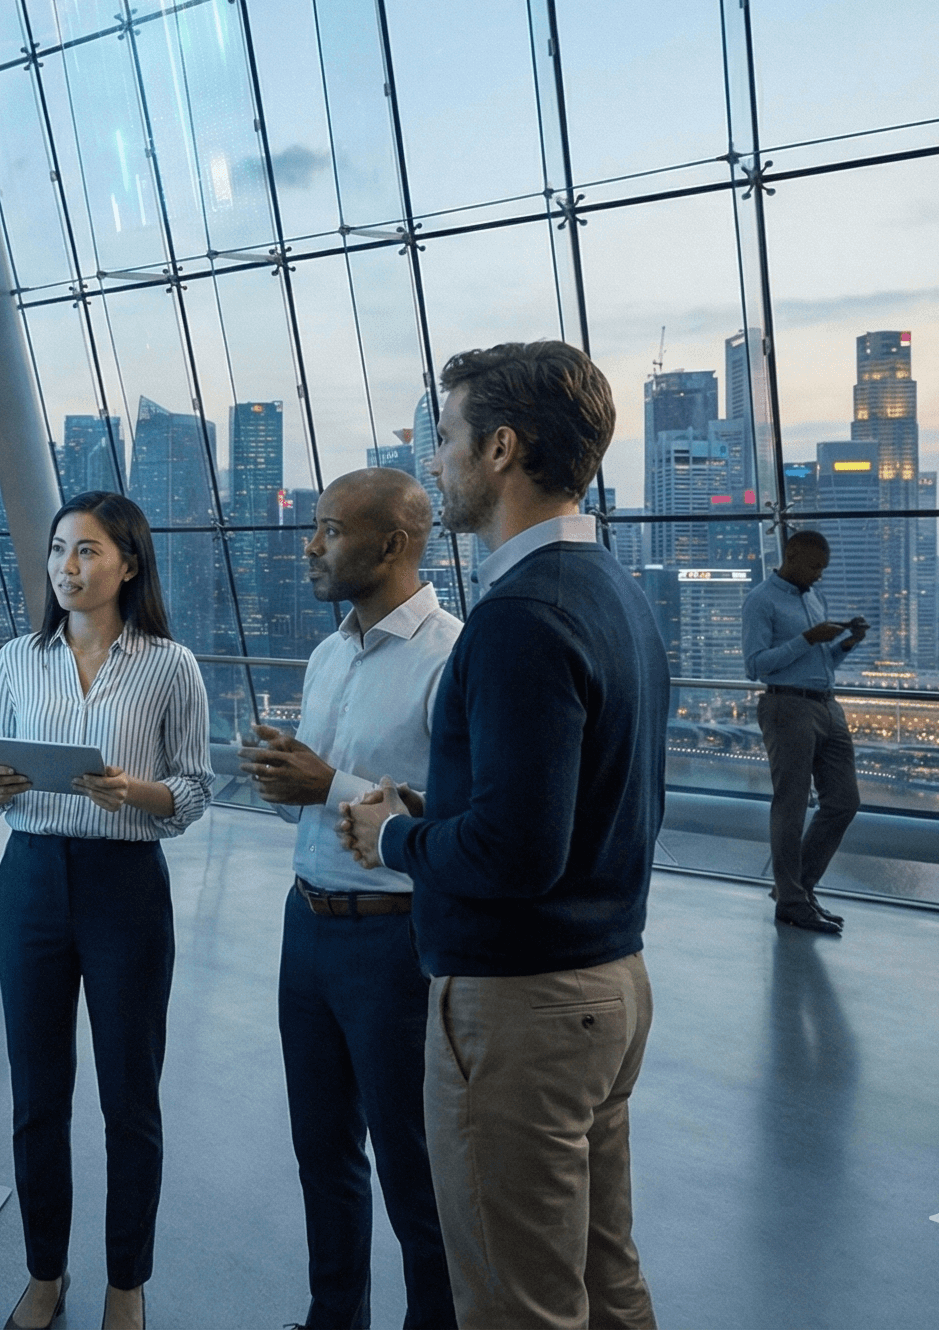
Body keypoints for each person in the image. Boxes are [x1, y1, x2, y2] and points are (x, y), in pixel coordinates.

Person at [340, 342, 669, 1330]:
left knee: (512, 1305)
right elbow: (560, 810)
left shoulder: (518, 617)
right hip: (604, 988)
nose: (431, 461)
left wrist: (393, 839)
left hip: (520, 1011)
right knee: (604, 1281)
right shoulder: (613, 594)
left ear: (500, 450)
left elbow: (516, 856)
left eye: (443, 437)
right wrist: (438, 814)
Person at [0, 491, 212, 1330]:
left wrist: (131, 791)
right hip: (31, 877)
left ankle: (126, 1284)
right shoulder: (17, 659)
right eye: (58, 551)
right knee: (38, 1095)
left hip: (125, 888)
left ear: (129, 564)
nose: (67, 568)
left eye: (87, 552)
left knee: (128, 1099)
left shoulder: (169, 667)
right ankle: (45, 1274)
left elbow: (191, 791)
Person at [238, 468, 458, 1330]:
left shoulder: (452, 656)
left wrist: (328, 784)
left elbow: (463, 818)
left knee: (415, 1172)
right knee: (321, 1153)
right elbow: (332, 788)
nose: (311, 545)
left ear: (394, 544)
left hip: (394, 943)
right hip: (310, 927)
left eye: (330, 529)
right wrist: (291, 779)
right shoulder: (330, 653)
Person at [743, 529, 864, 936]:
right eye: (814, 566)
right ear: (791, 556)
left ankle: (796, 891)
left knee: (844, 801)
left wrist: (845, 645)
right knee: (791, 805)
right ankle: (794, 901)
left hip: (826, 704)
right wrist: (807, 638)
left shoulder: (813, 598)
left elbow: (821, 660)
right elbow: (757, 665)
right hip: (786, 706)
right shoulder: (761, 600)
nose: (819, 576)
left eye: (823, 569)